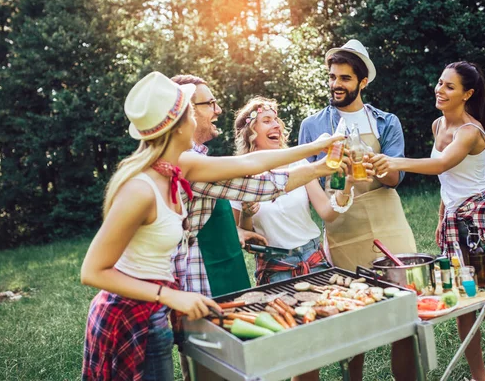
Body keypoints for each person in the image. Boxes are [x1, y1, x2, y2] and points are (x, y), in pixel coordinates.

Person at [80, 71, 343, 381]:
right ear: (178, 125)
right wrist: (171, 295)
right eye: (192, 110)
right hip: (127, 318)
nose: (208, 113)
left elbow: (252, 165)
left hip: (153, 315)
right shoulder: (140, 188)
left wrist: (320, 150)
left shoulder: (183, 165)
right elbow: (92, 271)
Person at [170, 75, 348, 381]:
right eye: (209, 103)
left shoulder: (197, 158)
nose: (218, 109)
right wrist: (317, 155)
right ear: (186, 112)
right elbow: (259, 177)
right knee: (212, 366)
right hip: (201, 278)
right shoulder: (189, 162)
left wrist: (323, 169)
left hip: (224, 273)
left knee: (220, 365)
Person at [371, 61, 485, 381]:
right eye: (440, 83)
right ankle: (479, 376)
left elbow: (441, 164)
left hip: (479, 224)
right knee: (464, 303)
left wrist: (393, 161)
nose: (440, 90)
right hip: (455, 223)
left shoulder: (470, 132)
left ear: (467, 93)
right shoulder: (438, 125)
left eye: (449, 86)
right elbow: (448, 181)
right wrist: (443, 216)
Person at [231, 97, 374, 381]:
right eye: (267, 120)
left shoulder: (297, 162)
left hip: (315, 261)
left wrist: (346, 184)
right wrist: (247, 215)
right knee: (300, 350)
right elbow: (240, 232)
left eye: (277, 119)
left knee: (338, 333)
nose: (277, 125)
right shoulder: (241, 173)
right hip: (277, 268)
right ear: (250, 132)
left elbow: (326, 212)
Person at [298, 39, 417, 381]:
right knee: (352, 314)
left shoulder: (386, 122)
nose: (336, 84)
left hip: (388, 221)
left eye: (345, 78)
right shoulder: (313, 126)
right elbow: (306, 181)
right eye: (333, 76)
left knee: (403, 310)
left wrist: (379, 163)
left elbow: (395, 179)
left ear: (362, 82)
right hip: (343, 226)